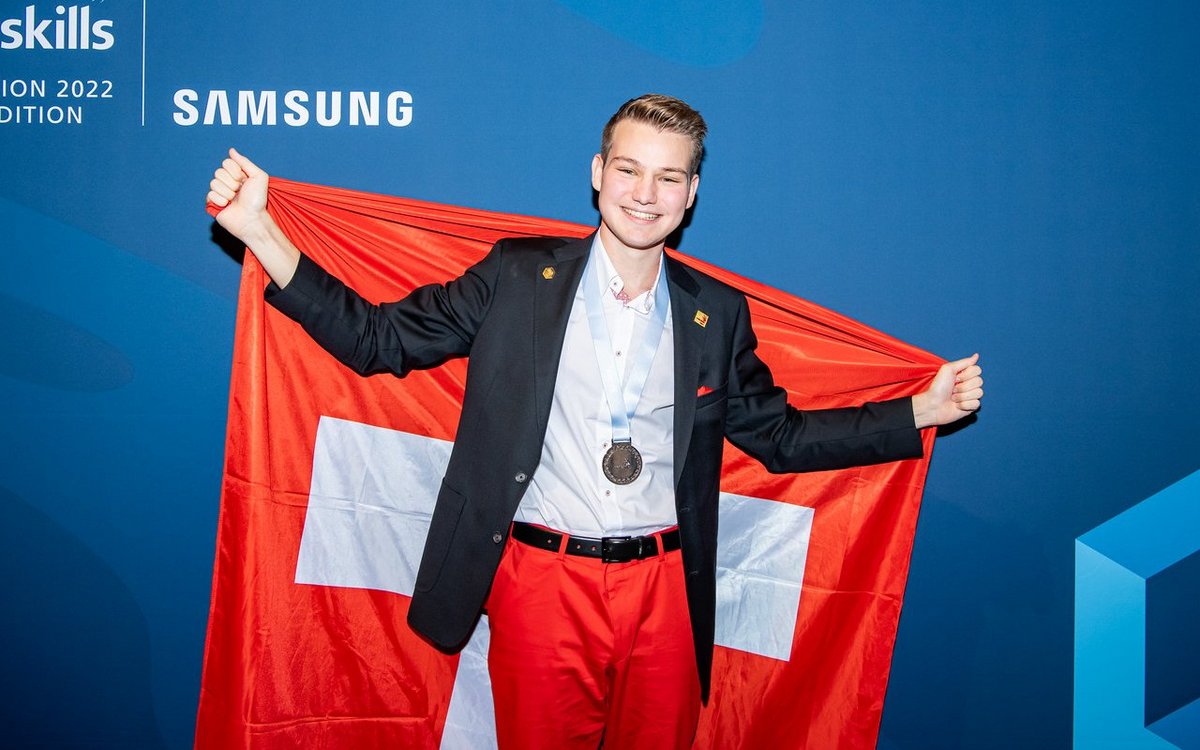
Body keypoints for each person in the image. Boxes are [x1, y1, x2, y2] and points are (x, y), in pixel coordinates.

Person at [206, 94, 983, 750]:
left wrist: (920, 411)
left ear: (691, 193)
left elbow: (778, 438)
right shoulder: (517, 277)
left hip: (666, 590)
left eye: (668, 177)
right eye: (629, 169)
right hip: (541, 582)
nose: (646, 193)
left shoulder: (717, 314)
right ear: (597, 174)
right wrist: (262, 233)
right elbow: (379, 341)